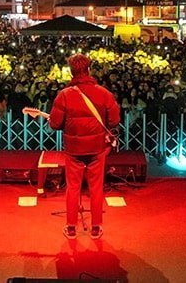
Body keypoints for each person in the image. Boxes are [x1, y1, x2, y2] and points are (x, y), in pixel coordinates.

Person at [48, 54, 120, 240]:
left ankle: (71, 227)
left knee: (73, 188)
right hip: (97, 148)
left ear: (71, 72)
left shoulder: (64, 95)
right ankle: (96, 227)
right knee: (96, 188)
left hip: (73, 149)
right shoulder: (104, 93)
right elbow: (114, 121)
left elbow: (55, 124)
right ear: (88, 70)